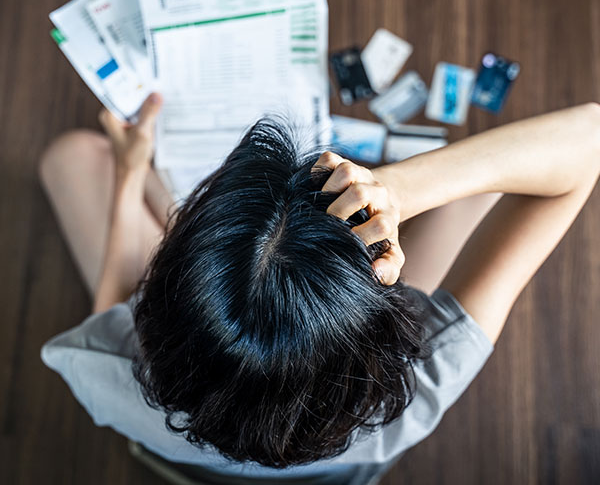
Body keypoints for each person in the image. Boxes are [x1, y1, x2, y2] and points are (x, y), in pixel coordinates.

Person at [38, 96, 600, 484]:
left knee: (69, 157)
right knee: (481, 191)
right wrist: (399, 187)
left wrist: (132, 177)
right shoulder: (425, 380)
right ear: (379, 325)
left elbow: (112, 309)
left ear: (157, 308)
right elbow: (588, 137)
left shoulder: (98, 370)